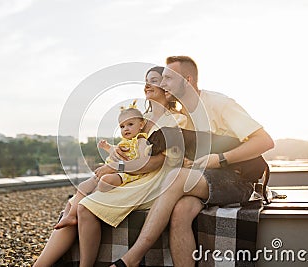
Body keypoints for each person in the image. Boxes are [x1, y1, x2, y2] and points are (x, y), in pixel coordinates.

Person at [111, 56, 274, 267]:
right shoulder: (181, 115)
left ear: (187, 80)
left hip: (239, 179)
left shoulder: (219, 103)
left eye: (168, 78)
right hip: (206, 179)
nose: (162, 83)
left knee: (176, 178)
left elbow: (265, 141)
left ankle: (132, 258)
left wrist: (220, 159)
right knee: (180, 210)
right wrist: (120, 152)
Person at [33, 66, 187, 267]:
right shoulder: (141, 119)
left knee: (85, 208)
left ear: (167, 87)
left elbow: (158, 162)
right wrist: (115, 153)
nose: (148, 85)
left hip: (154, 179)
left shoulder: (177, 119)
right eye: (146, 80)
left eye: (155, 80)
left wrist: (118, 167)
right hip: (134, 172)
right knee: (73, 204)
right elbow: (127, 149)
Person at [54, 103, 148, 228]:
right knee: (83, 185)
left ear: (141, 124)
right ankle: (71, 215)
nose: (126, 129)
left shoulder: (141, 140)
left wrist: (121, 165)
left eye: (130, 124)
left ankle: (92, 200)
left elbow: (140, 160)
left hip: (126, 173)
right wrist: (107, 147)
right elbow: (116, 153)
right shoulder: (124, 142)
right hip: (110, 170)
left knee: (106, 180)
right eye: (122, 126)